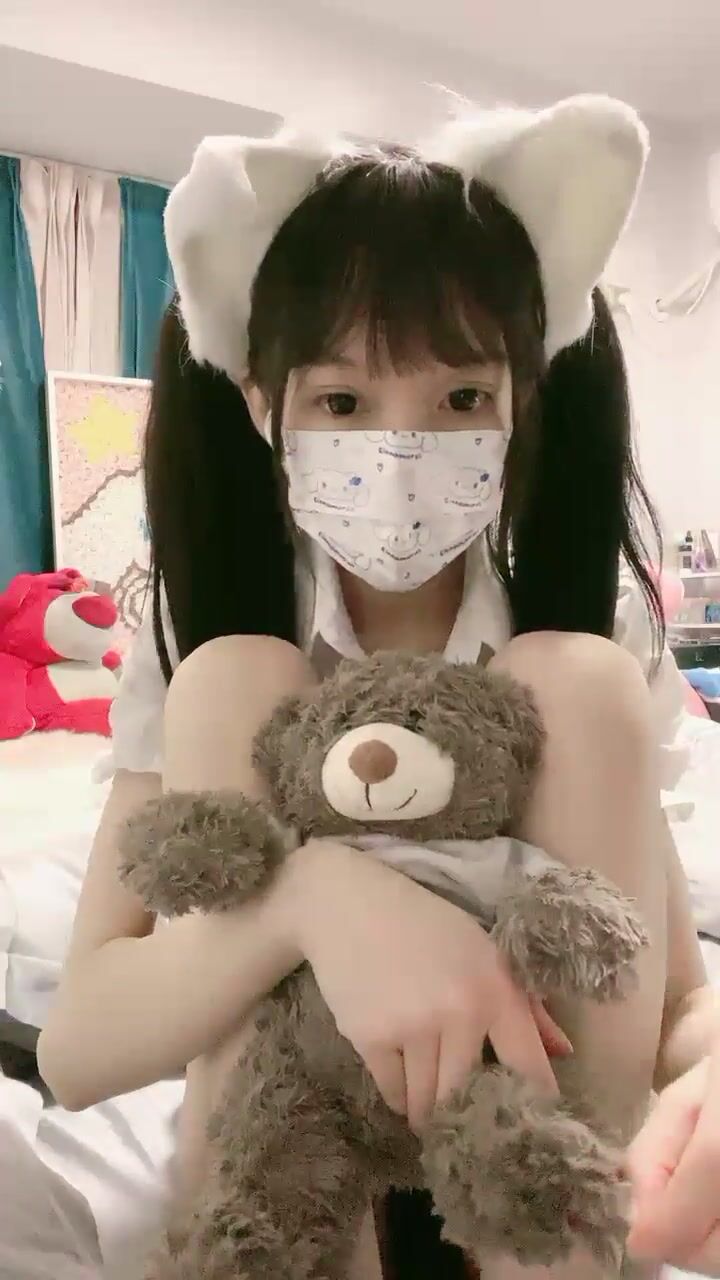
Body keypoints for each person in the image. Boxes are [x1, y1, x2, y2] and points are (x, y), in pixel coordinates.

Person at [37, 94, 720, 1280]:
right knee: (237, 679)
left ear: (520, 404)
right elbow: (80, 1044)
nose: (403, 450)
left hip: (536, 1131)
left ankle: (559, 1250)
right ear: (267, 406)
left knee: (576, 677)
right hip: (292, 1135)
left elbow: (673, 1002)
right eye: (344, 402)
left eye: (461, 398)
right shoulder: (213, 642)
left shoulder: (588, 634)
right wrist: (311, 899)